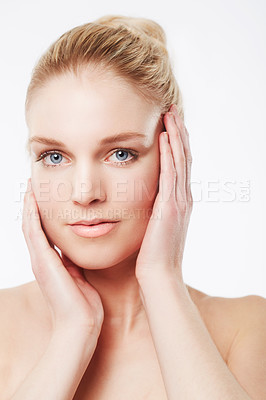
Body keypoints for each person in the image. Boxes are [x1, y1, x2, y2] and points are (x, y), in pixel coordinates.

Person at [0, 14, 265, 400]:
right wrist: (73, 331)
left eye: (120, 154)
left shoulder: (246, 329)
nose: (85, 192)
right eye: (55, 156)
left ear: (172, 155)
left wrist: (161, 277)